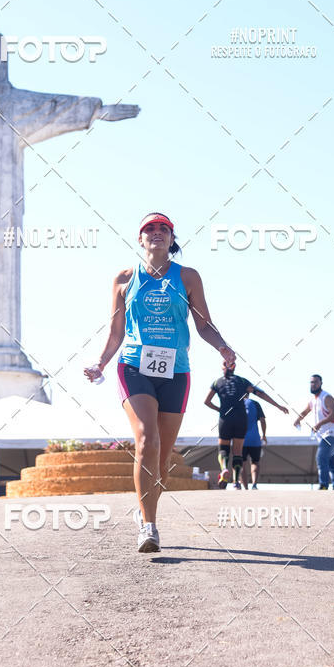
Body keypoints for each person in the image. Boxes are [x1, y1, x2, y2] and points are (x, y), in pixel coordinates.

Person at [84, 212, 236, 553]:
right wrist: (100, 362)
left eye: (163, 229)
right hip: (134, 366)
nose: (156, 233)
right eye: (149, 229)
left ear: (171, 239)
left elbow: (203, 325)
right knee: (146, 442)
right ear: (140, 239)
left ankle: (143, 511)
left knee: (163, 457)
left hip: (176, 371)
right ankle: (149, 528)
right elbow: (116, 331)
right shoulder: (124, 278)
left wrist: (223, 346)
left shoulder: (188, 277)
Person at [204, 367, 288, 489]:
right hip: (241, 421)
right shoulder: (243, 382)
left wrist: (221, 410)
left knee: (223, 448)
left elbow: (206, 401)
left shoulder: (217, 382)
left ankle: (225, 471)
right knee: (238, 452)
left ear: (223, 368)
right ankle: (242, 484)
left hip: (225, 419)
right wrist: (278, 406)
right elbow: (261, 393)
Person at [293, 374, 334, 489]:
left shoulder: (327, 397)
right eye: (311, 382)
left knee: (321, 457)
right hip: (325, 435)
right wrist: (298, 419)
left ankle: (323, 485)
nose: (313, 384)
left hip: (333, 433)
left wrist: (319, 424)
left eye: (315, 382)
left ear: (321, 383)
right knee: (331, 461)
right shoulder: (313, 400)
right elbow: (305, 411)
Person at [240, 393, 267, 489]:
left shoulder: (236, 404)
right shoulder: (255, 403)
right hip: (254, 439)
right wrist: (264, 435)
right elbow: (262, 420)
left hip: (240, 439)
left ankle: (245, 487)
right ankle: (254, 484)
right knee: (255, 462)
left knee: (241, 464)